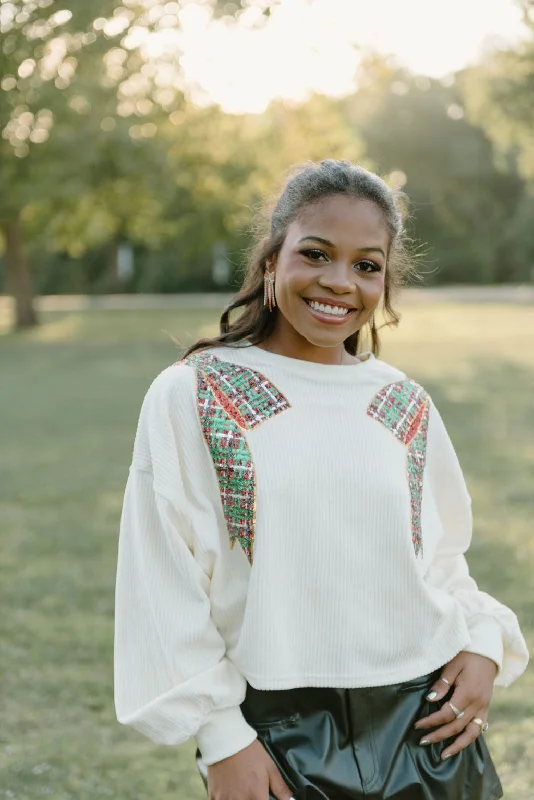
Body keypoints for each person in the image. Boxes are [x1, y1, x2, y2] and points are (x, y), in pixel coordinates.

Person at [114, 160, 528, 800]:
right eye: (317, 254)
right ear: (272, 259)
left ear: (386, 280)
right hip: (277, 738)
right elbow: (164, 576)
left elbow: (440, 561)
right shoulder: (197, 393)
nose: (340, 282)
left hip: (428, 727)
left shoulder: (401, 403)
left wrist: (482, 642)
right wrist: (224, 738)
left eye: (367, 265)